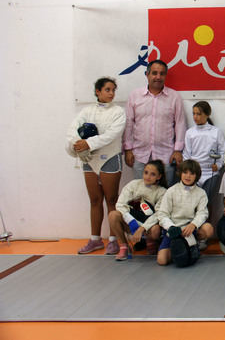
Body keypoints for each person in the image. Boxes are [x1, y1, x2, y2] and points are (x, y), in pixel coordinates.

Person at [66, 77, 125, 255]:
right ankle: (95, 240)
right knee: (94, 200)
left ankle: (114, 240)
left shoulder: (118, 112)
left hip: (110, 158)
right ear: (98, 91)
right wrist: (77, 144)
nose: (111, 93)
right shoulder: (86, 111)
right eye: (107, 90)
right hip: (89, 160)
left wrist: (88, 143)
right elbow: (72, 130)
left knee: (112, 200)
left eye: (113, 90)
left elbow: (111, 135)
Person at [123, 59, 187, 187]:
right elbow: (129, 123)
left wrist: (178, 150)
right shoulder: (135, 96)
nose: (158, 77)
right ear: (147, 74)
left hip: (166, 155)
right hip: (139, 154)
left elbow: (180, 124)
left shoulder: (174, 97)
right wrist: (128, 149)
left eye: (162, 73)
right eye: (154, 73)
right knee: (141, 194)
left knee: (166, 194)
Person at [183, 101, 225, 248]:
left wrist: (218, 165)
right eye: (194, 113)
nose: (195, 117)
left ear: (207, 115)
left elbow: (223, 152)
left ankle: (204, 236)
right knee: (193, 205)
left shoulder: (216, 132)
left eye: (199, 114)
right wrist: (188, 171)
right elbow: (187, 154)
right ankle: (193, 234)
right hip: (194, 174)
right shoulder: (190, 132)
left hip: (210, 174)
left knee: (207, 204)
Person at [156, 160, 213, 266]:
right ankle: (180, 249)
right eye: (185, 172)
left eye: (192, 173)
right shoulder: (171, 191)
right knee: (162, 260)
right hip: (173, 230)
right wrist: (171, 227)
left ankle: (192, 245)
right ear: (180, 173)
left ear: (197, 176)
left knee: (208, 228)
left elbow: (202, 213)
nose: (188, 176)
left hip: (189, 230)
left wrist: (193, 225)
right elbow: (162, 214)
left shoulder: (201, 193)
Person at [108, 160, 167, 260]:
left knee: (156, 230)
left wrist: (142, 228)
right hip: (131, 221)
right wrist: (131, 221)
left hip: (148, 225)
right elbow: (120, 204)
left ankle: (151, 242)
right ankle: (124, 247)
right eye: (146, 172)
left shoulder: (162, 192)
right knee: (113, 215)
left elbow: (159, 214)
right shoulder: (133, 185)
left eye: (153, 174)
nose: (148, 177)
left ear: (159, 176)